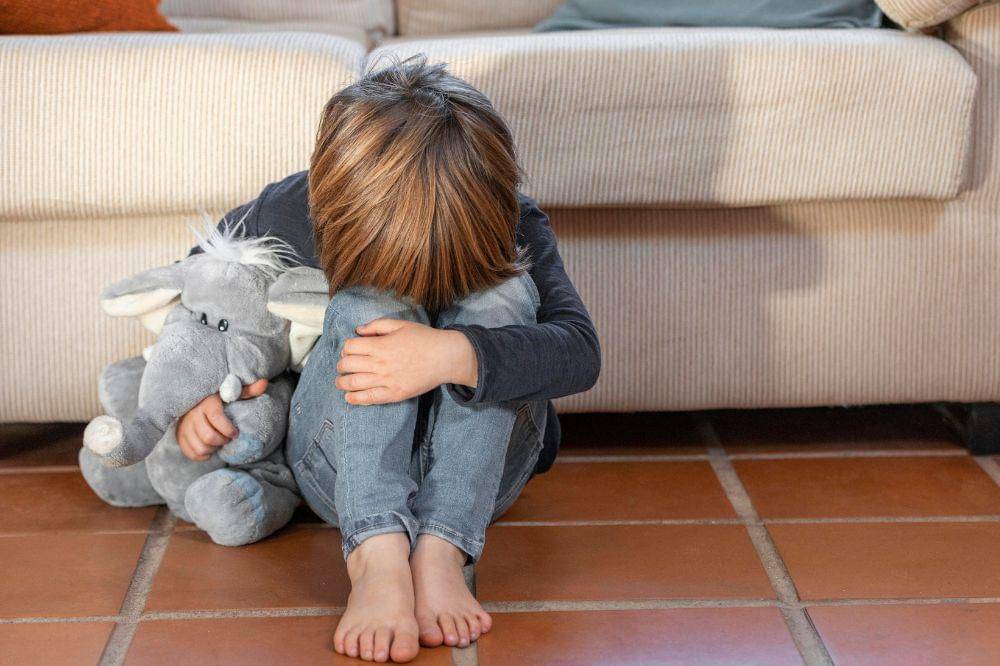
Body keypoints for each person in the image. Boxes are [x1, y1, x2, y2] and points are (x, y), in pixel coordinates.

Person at [176, 57, 600, 663]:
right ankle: (375, 555)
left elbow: (581, 353)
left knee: (503, 294)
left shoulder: (513, 219)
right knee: (368, 302)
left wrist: (454, 354)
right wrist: (197, 395)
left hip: (483, 483)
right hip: (339, 471)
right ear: (331, 207)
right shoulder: (291, 210)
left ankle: (442, 550)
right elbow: (203, 299)